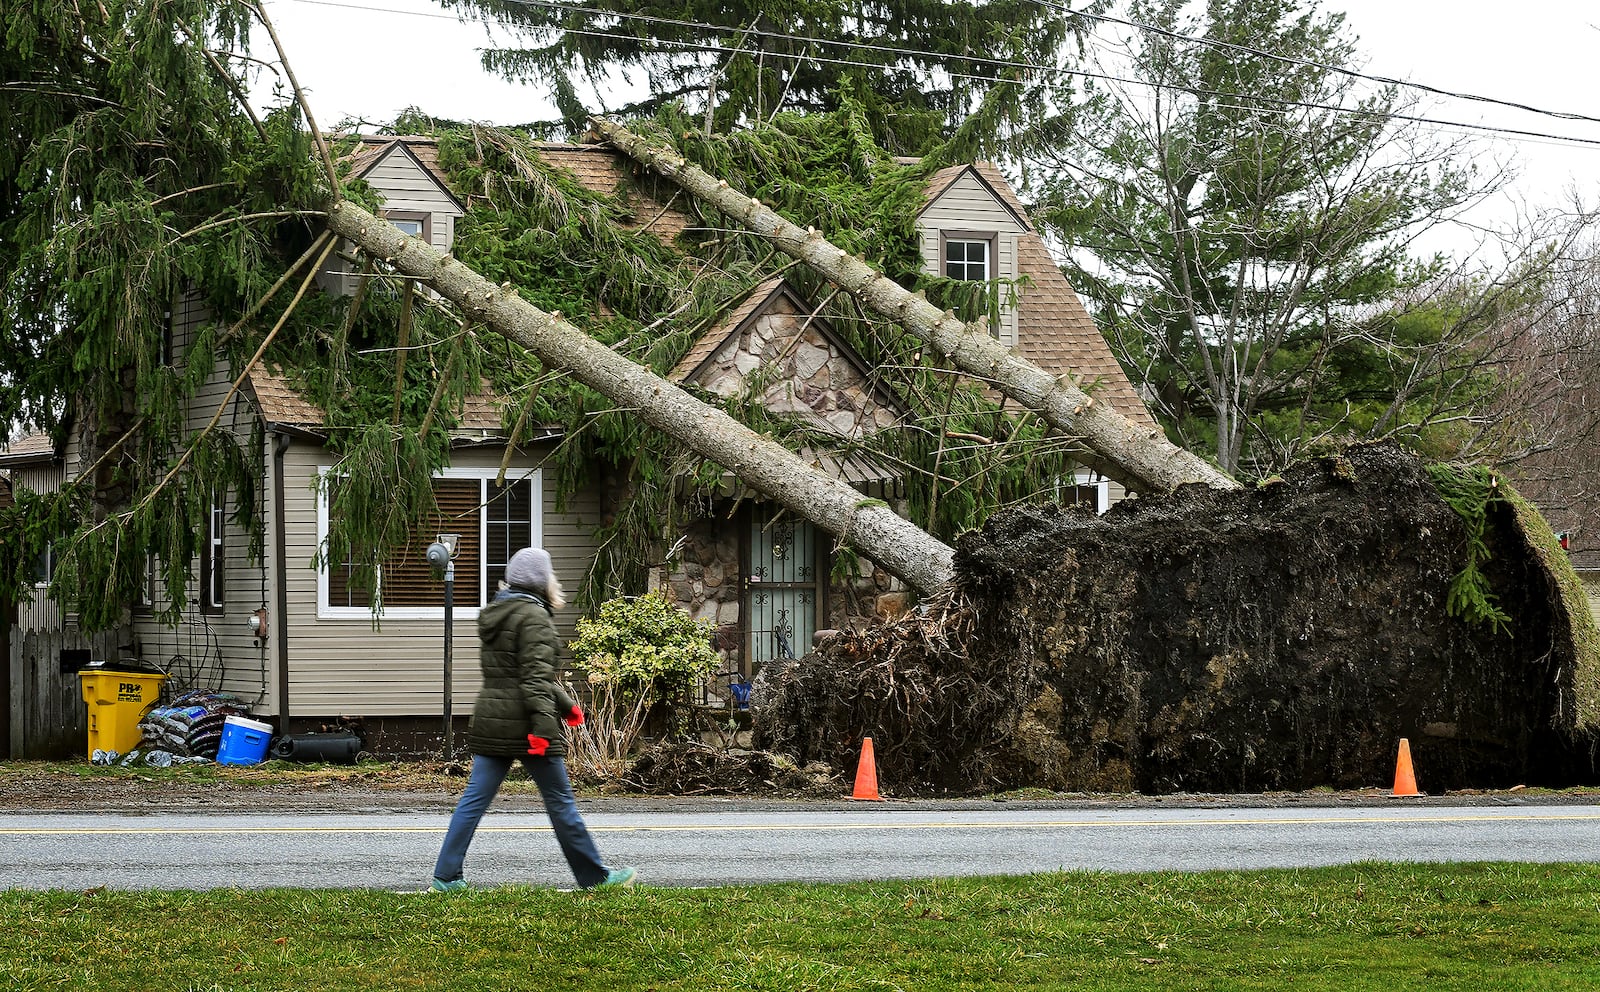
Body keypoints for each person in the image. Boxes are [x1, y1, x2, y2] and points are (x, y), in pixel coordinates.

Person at [431, 546, 636, 892]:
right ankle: (595, 878)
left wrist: (566, 704)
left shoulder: (499, 613)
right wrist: (543, 730)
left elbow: (516, 675)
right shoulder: (535, 618)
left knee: (473, 801)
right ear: (542, 582)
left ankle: (446, 876)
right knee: (560, 802)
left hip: (493, 719)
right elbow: (534, 681)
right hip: (527, 726)